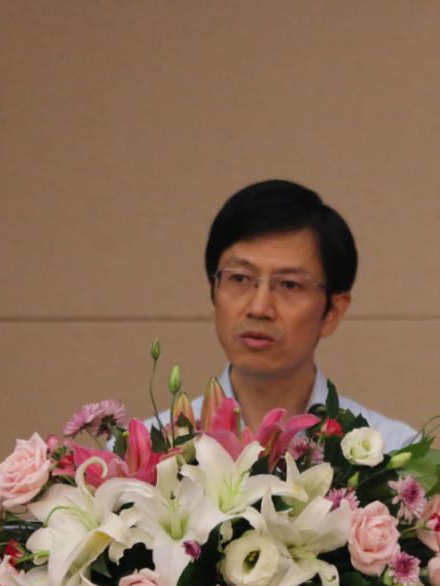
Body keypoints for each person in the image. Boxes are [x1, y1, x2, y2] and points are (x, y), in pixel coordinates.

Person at [158, 179, 417, 453]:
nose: (259, 308)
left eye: (289, 285)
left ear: (333, 311)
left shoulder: (390, 452)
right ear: (213, 292)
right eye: (239, 278)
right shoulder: (150, 454)